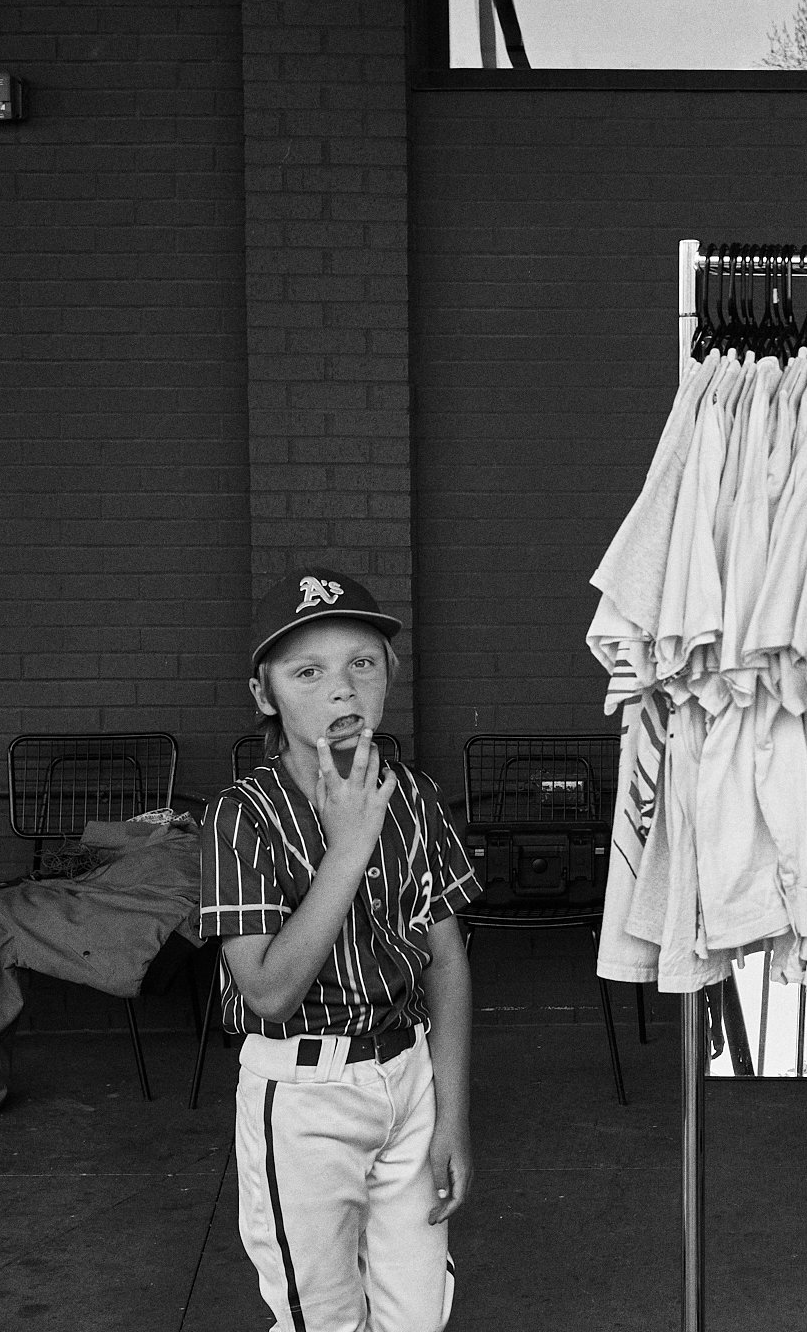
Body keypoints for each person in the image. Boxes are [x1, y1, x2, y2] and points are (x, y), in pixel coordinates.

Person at [198, 567, 483, 1332]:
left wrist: (451, 1115)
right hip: (302, 1092)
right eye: (308, 671)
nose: (341, 691)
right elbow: (266, 990)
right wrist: (349, 847)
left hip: (408, 1072)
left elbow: (447, 957)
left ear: (388, 671)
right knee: (321, 1320)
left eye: (362, 662)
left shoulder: (413, 794)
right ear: (265, 695)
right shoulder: (240, 817)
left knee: (417, 1316)